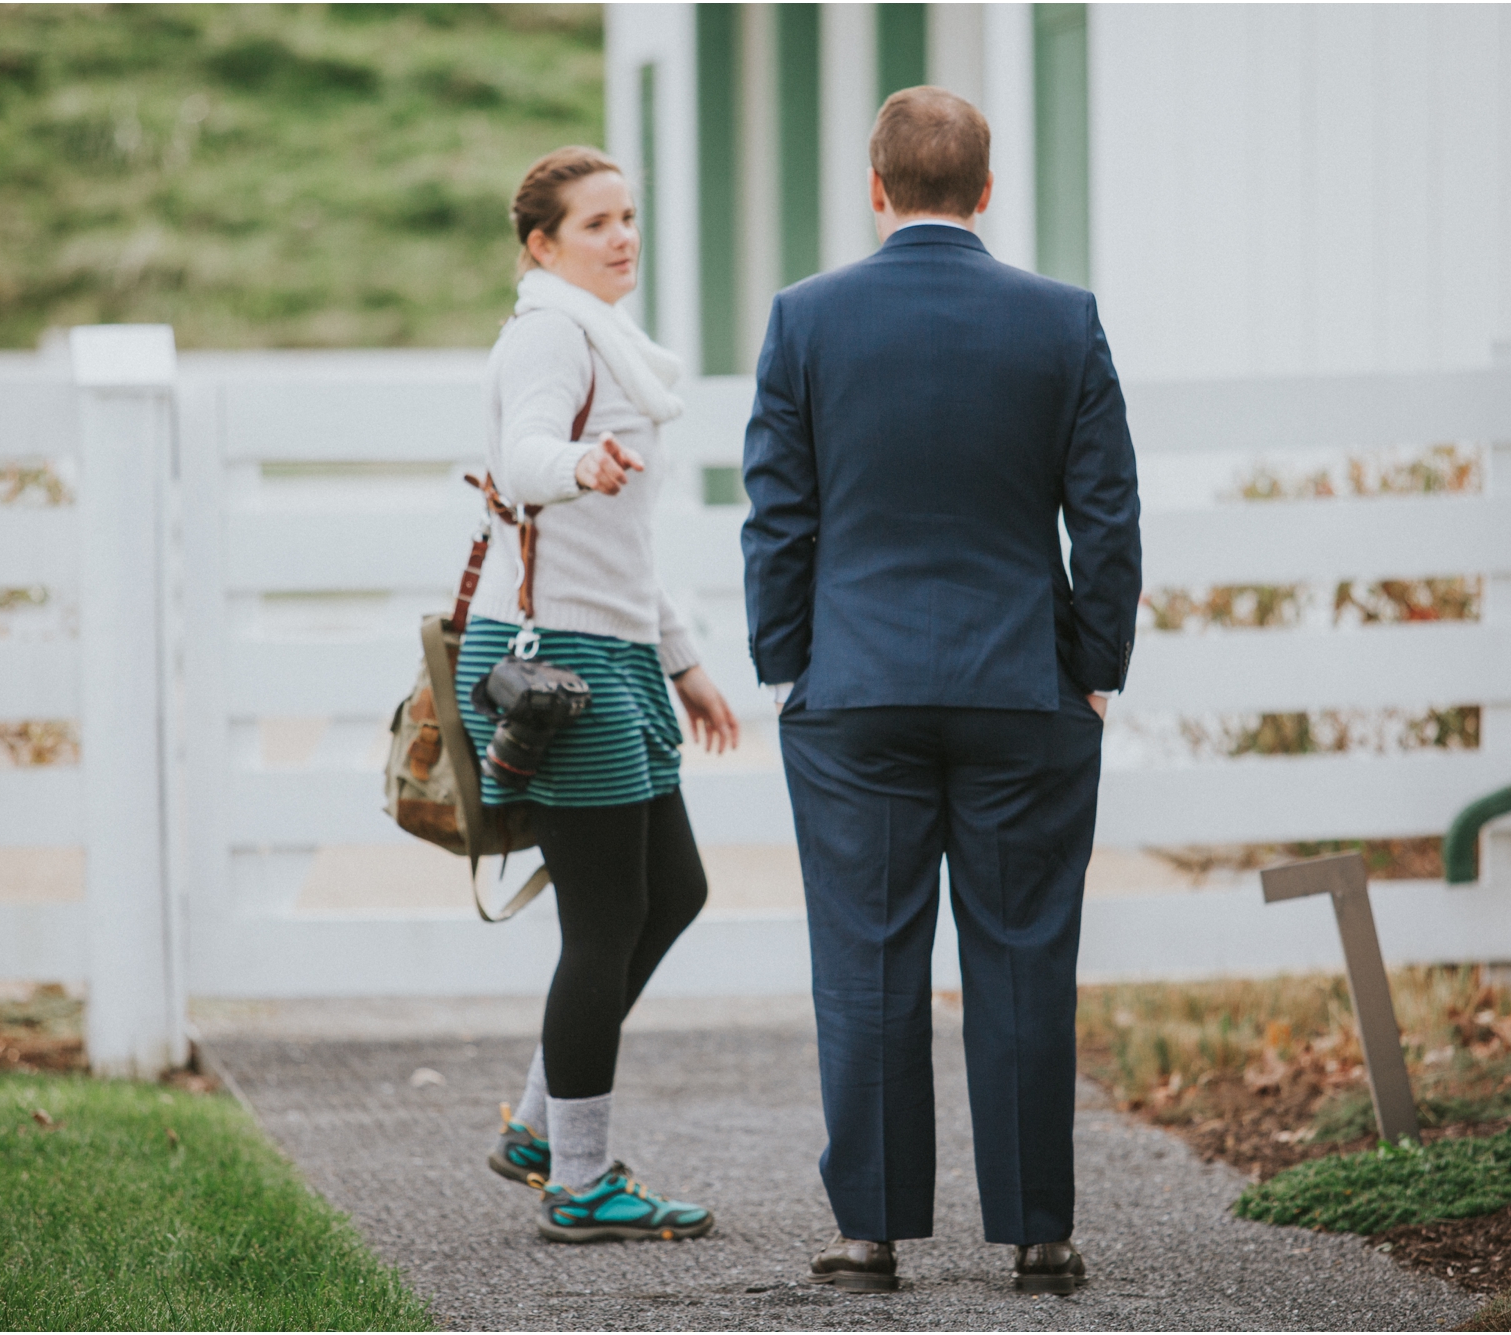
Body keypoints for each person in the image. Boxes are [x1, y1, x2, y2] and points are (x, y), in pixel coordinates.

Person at [741, 88, 1142, 1293]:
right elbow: (1107, 516)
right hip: (1021, 685)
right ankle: (1039, 1235)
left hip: (854, 692)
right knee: (1023, 955)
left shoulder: (804, 321)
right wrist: (1091, 670)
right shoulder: (1059, 321)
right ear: (982, 190)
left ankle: (867, 1234)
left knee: (864, 955)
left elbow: (778, 517)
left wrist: (788, 662)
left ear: (875, 188)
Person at [464, 145, 739, 1244]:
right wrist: (575, 465)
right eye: (595, 224)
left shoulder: (610, 343)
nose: (622, 237)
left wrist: (682, 660)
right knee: (605, 918)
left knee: (670, 892)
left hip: (614, 649)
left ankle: (538, 1128)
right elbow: (525, 455)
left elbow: (625, 550)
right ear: (541, 246)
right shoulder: (549, 334)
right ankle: (577, 1183)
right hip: (558, 667)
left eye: (628, 217)